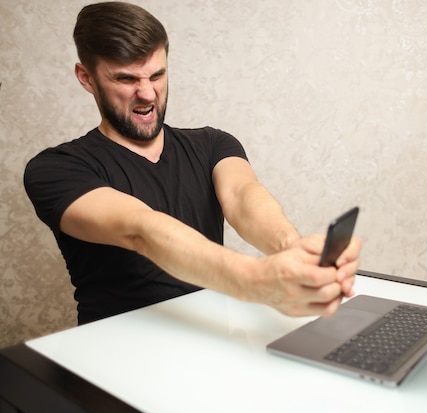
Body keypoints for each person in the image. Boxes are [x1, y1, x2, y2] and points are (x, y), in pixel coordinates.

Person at [23, 1, 361, 325]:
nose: (147, 93)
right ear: (86, 78)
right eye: (126, 79)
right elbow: (141, 230)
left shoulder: (213, 143)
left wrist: (294, 248)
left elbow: (244, 198)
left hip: (207, 338)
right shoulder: (56, 169)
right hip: (115, 350)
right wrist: (258, 280)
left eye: (157, 75)